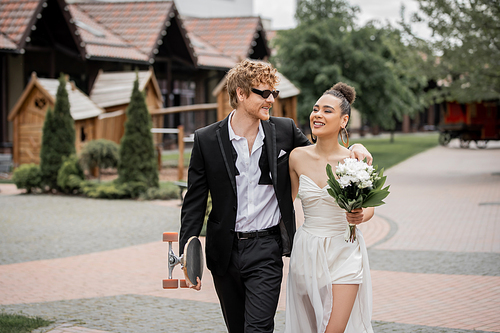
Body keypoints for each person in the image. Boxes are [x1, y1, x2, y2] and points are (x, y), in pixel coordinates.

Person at [179, 59, 372, 333]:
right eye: (263, 93)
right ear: (241, 94)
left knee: (258, 328)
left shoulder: (284, 130)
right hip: (224, 251)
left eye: (274, 93)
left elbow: (322, 153)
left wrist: (355, 146)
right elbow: (194, 202)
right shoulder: (206, 139)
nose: (271, 99)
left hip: (266, 249)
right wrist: (189, 255)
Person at [285, 82, 374, 333]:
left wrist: (359, 215)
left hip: (344, 249)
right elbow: (285, 203)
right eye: (315, 109)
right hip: (307, 250)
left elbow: (370, 208)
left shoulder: (355, 160)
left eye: (327, 110)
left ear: (344, 120)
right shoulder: (297, 157)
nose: (318, 115)